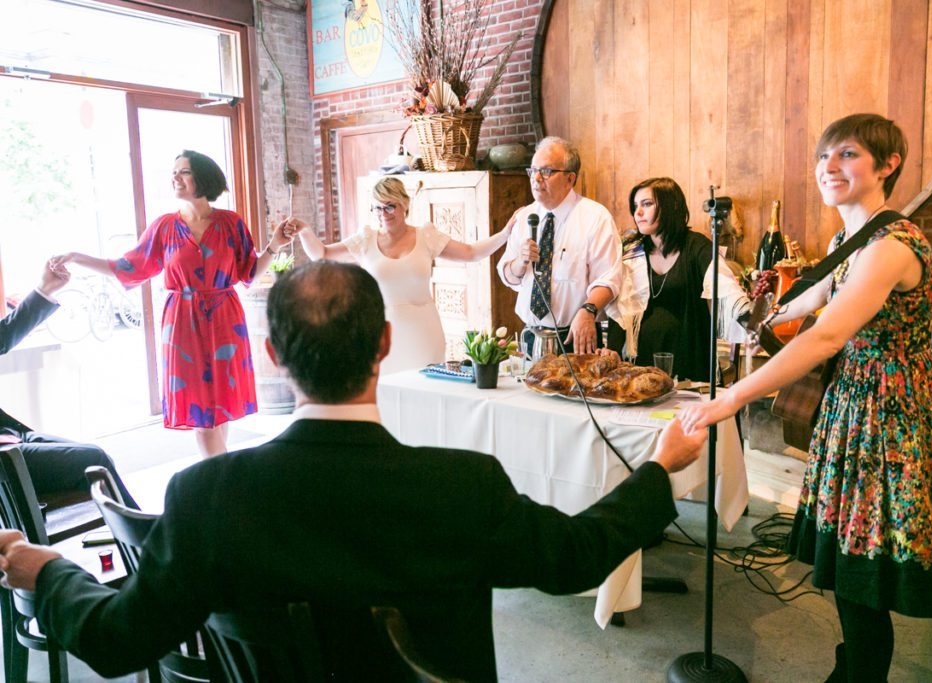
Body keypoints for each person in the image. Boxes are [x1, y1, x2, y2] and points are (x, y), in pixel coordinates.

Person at [0, 261, 705, 681]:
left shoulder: (205, 496)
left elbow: (119, 638)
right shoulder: (463, 485)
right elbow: (575, 557)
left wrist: (47, 570)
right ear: (386, 344)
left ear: (273, 355)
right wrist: (661, 468)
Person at [677, 113, 932, 681]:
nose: (829, 167)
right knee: (846, 557)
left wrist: (731, 398)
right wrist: (764, 312)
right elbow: (813, 297)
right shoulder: (851, 237)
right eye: (823, 156)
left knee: (867, 568)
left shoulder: (893, 244)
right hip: (855, 406)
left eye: (847, 155)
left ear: (888, 165)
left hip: (892, 415)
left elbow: (828, 335)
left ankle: (861, 673)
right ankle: (853, 665)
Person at [53, 150, 292, 458]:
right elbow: (128, 266)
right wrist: (77, 257)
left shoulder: (231, 223)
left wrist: (274, 245)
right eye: (174, 172)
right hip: (183, 323)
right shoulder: (165, 227)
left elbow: (249, 272)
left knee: (219, 412)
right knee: (203, 417)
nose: (175, 177)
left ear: (203, 178)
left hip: (225, 319)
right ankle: (220, 484)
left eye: (184, 172)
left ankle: (217, 483)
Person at [291, 176, 513, 374]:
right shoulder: (365, 240)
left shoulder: (426, 236)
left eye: (389, 207)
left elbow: (471, 252)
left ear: (404, 205)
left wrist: (505, 234)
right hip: (381, 333)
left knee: (426, 395)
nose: (383, 214)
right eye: (377, 208)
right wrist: (303, 230)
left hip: (424, 332)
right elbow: (321, 253)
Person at [1, 259, 137, 507]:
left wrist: (45, 289)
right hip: (4, 457)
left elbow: (3, 337)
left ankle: (139, 536)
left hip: (10, 437)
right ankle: (144, 538)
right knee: (94, 460)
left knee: (94, 457)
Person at [606, 177, 750, 379]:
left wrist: (747, 316)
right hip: (642, 362)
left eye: (646, 204)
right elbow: (619, 305)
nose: (638, 212)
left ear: (670, 206)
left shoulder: (696, 246)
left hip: (688, 360)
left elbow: (722, 281)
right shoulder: (632, 252)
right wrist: (612, 347)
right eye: (635, 206)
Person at [496, 136, 622, 355]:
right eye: (532, 170)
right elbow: (508, 275)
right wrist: (520, 261)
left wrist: (588, 310)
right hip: (530, 337)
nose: (536, 178)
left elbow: (609, 279)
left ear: (570, 179)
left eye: (546, 171)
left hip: (574, 339)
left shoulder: (595, 217)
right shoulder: (526, 216)